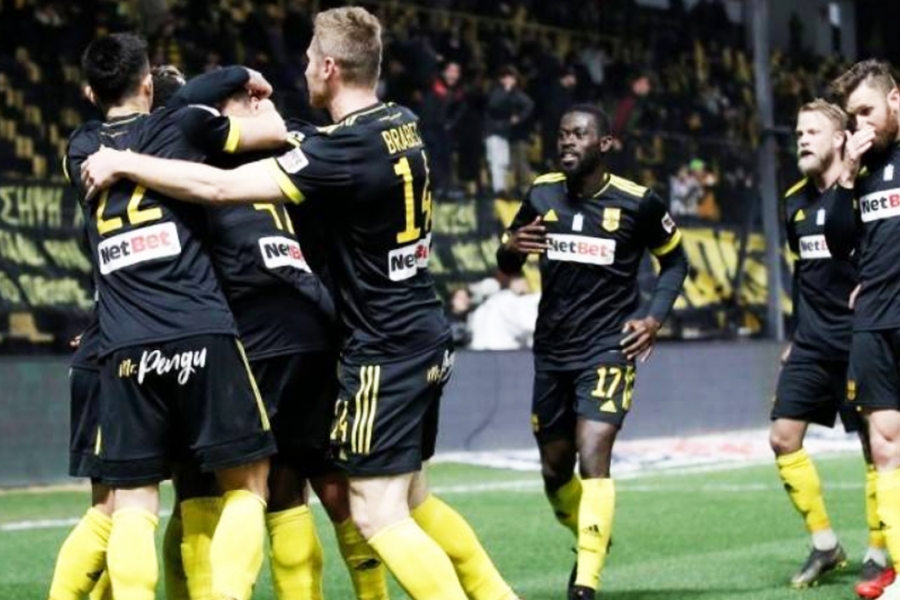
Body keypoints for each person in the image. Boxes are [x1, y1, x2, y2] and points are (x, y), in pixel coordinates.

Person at [79, 8, 520, 600]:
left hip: (354, 343)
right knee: (399, 495)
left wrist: (122, 160)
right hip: (393, 327)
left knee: (340, 505)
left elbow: (212, 192)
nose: (302, 68)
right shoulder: (401, 122)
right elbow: (300, 148)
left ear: (330, 67)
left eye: (311, 58)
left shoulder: (284, 155)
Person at [65, 33, 285, 600]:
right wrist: (244, 75)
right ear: (147, 84)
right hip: (200, 328)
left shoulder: (80, 149)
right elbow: (272, 133)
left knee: (132, 506)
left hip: (124, 345)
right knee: (248, 486)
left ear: (91, 93)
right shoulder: (182, 127)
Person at [160, 67, 390, 600]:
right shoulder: (288, 152)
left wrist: (240, 83)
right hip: (315, 324)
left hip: (248, 335)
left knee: (227, 490)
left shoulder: (188, 160)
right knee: (312, 486)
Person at [496, 104, 688, 600]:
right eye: (563, 134)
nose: (567, 141)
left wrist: (654, 318)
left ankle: (585, 582)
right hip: (552, 350)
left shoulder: (638, 202)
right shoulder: (541, 193)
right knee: (554, 470)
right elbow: (508, 263)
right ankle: (591, 534)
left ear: (604, 144)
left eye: (579, 134)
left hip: (609, 345)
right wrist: (511, 249)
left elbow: (675, 262)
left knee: (593, 452)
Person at [771, 99, 892, 593]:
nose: (802, 140)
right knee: (783, 438)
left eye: (813, 132)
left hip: (861, 337)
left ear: (840, 139)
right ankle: (825, 544)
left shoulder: (865, 193)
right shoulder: (792, 201)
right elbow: (804, 274)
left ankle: (879, 551)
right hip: (811, 343)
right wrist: (795, 335)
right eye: (799, 132)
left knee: (874, 449)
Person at [826, 58, 900, 600]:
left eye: (868, 111)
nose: (861, 125)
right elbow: (836, 243)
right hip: (874, 321)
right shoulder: (862, 170)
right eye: (853, 117)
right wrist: (847, 175)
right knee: (885, 447)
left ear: (895, 99)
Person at [484, 65, 534, 196]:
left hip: (505, 133)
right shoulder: (497, 91)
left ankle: (502, 189)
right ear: (501, 79)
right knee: (497, 162)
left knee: (504, 162)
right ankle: (498, 189)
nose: (510, 80)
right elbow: (493, 104)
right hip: (493, 131)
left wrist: (519, 117)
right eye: (506, 77)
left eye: (512, 78)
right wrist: (506, 91)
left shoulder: (514, 93)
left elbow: (529, 104)